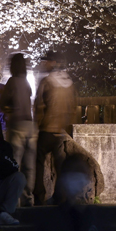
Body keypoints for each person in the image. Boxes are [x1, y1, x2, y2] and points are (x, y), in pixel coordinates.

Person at [33, 51, 77, 206]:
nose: (43, 64)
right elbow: (73, 106)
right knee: (60, 165)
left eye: (46, 61)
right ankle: (61, 196)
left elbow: (39, 106)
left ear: (52, 62)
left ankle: (39, 194)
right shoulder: (69, 83)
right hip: (61, 130)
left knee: (38, 161)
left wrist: (37, 125)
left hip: (46, 129)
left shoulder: (47, 81)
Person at [1, 52, 38, 205]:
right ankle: (28, 198)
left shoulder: (12, 81)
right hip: (31, 126)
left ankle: (14, 200)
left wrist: (7, 111)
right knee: (29, 165)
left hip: (16, 126)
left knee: (14, 163)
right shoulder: (26, 82)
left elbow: (2, 102)